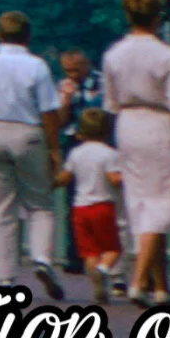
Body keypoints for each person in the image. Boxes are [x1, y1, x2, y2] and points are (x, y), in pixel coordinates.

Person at [0, 10, 65, 298]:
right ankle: (42, 258)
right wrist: (54, 149)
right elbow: (48, 112)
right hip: (27, 133)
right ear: (28, 36)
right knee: (40, 203)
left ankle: (6, 279)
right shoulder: (37, 66)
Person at [101, 0, 170, 306]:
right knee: (161, 206)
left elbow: (110, 102)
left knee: (139, 205)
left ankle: (160, 285)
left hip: (128, 125)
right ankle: (139, 281)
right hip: (161, 126)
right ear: (157, 17)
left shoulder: (113, 54)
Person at [58, 107, 125, 303]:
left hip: (80, 208)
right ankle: (104, 270)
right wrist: (126, 178)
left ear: (80, 133)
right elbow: (114, 179)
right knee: (113, 248)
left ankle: (97, 284)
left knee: (90, 251)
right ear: (107, 132)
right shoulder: (110, 154)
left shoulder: (75, 153)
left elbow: (66, 176)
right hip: (103, 206)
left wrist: (52, 182)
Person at [56, 49, 107, 274]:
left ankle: (102, 252)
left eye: (76, 70)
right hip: (73, 142)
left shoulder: (102, 82)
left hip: (100, 142)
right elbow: (59, 120)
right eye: (68, 70)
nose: (72, 75)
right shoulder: (64, 85)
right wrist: (65, 100)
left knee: (101, 199)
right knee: (74, 199)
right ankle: (75, 254)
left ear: (87, 65)